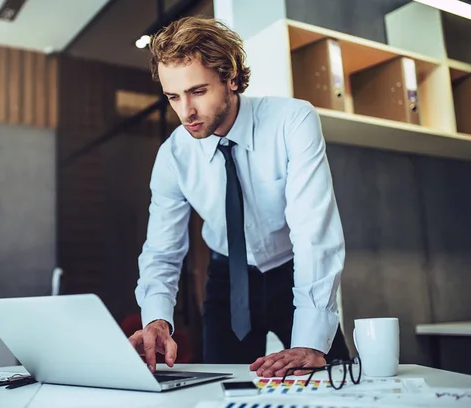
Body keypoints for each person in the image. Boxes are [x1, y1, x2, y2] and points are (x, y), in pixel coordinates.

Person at [128, 16, 350, 378]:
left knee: (336, 378)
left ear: (230, 78)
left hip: (295, 272)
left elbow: (314, 232)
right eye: (173, 96)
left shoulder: (292, 121)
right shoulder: (173, 155)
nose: (186, 112)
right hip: (228, 280)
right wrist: (157, 319)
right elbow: (162, 251)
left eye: (197, 91)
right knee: (222, 387)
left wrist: (311, 339)